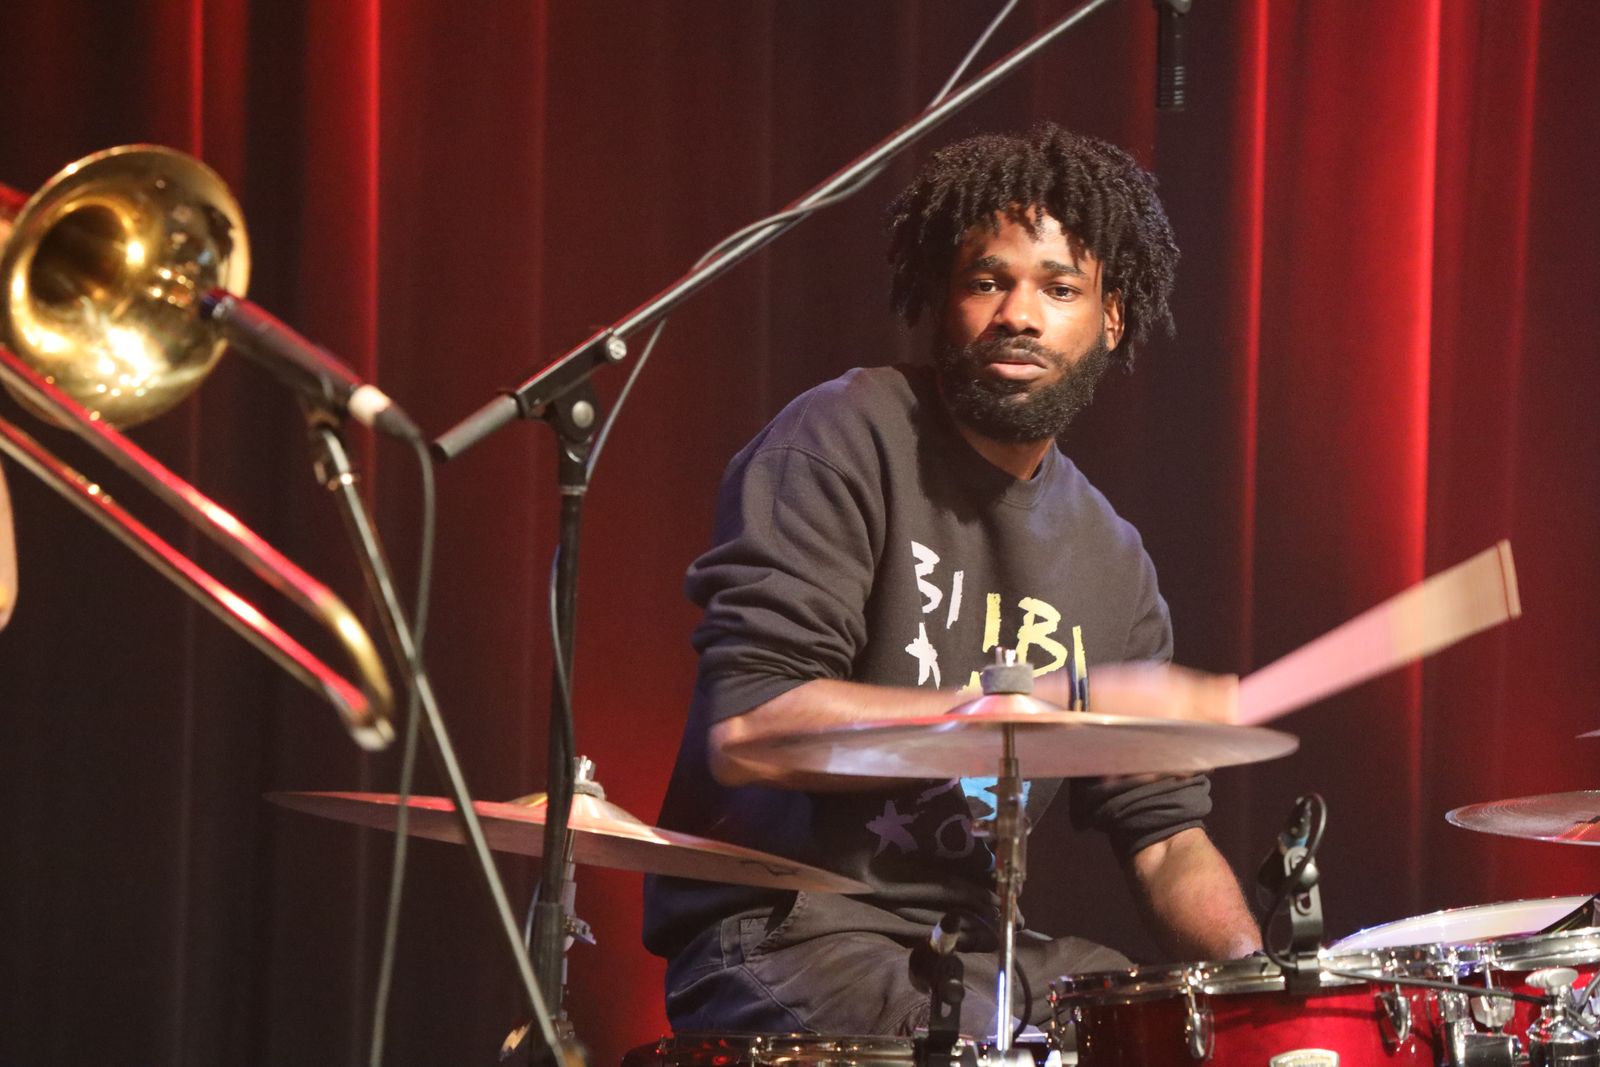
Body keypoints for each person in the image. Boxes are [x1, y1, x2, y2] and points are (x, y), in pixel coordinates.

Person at [642, 124, 1260, 1038]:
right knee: (1010, 1045)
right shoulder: (842, 438)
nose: (1019, 314)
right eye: (987, 280)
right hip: (785, 934)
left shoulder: (1114, 561)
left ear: (1112, 317)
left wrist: (1263, 999)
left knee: (1146, 1027)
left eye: (1059, 288)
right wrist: (1023, 710)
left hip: (967, 952)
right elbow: (753, 732)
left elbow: (1166, 840)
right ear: (943, 297)